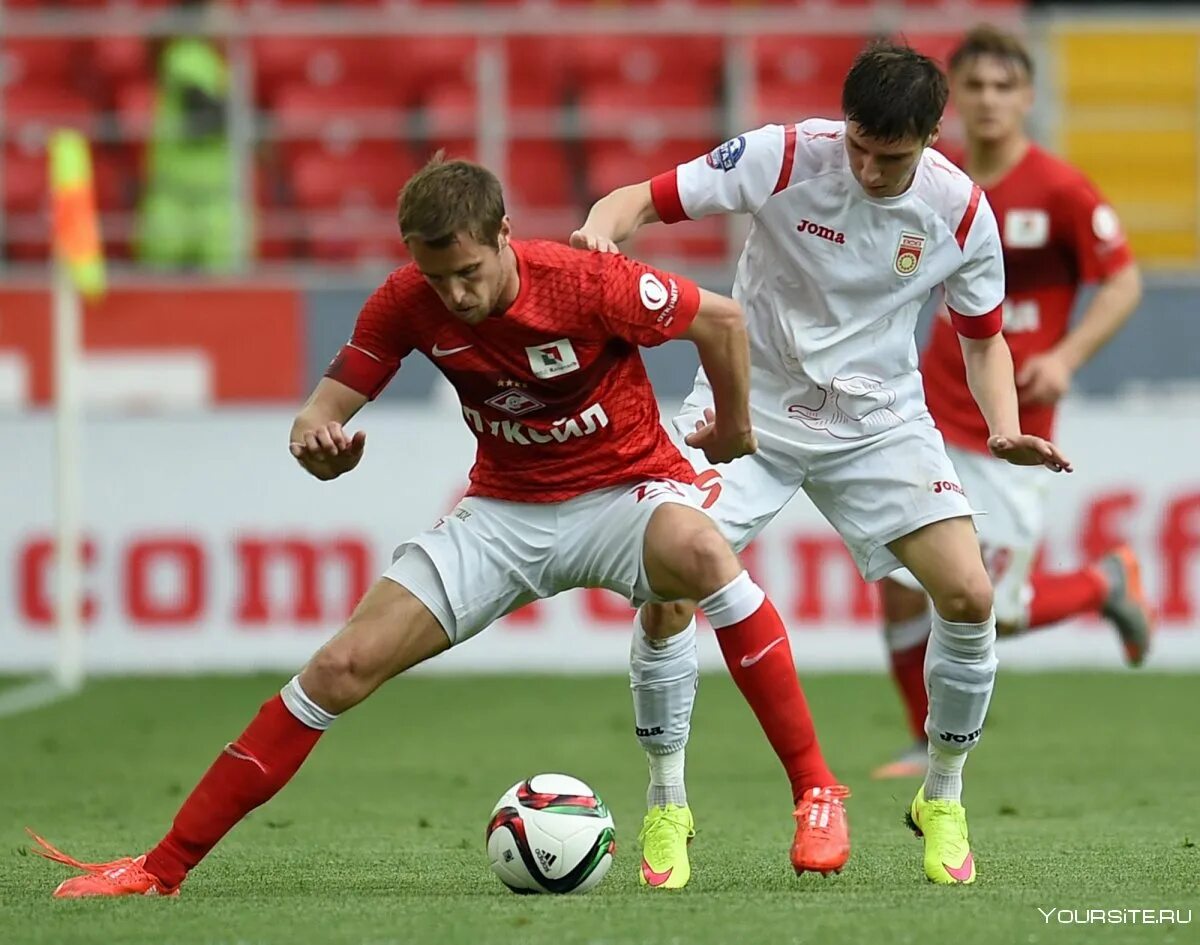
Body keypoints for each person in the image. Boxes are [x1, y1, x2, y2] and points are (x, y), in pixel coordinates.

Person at [30, 156, 849, 898]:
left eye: (466, 271)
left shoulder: (584, 280)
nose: (453, 294)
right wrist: (316, 443)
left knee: (703, 551)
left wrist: (736, 427)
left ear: (503, 234)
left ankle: (815, 789)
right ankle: (160, 866)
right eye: (436, 275)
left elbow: (725, 321)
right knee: (340, 665)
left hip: (623, 493)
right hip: (502, 513)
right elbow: (324, 407)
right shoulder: (409, 299)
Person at [572, 40, 1071, 886]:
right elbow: (639, 200)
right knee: (665, 592)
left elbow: (982, 340)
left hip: (878, 421)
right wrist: (598, 234)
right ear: (844, 123)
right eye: (861, 147)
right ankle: (667, 803)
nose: (872, 169)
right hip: (745, 411)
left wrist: (1003, 426)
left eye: (894, 156)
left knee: (970, 592)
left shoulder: (958, 212)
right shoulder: (785, 153)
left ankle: (941, 795)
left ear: (931, 138)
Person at [872, 26, 1151, 781]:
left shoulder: (1060, 189)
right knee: (900, 593)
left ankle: (1104, 582)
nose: (990, 100)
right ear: (951, 100)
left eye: (1005, 86)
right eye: (976, 87)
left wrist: (1064, 356)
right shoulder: (935, 177)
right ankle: (919, 737)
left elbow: (1123, 281)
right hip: (927, 411)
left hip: (1013, 429)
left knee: (993, 605)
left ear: (1027, 97)